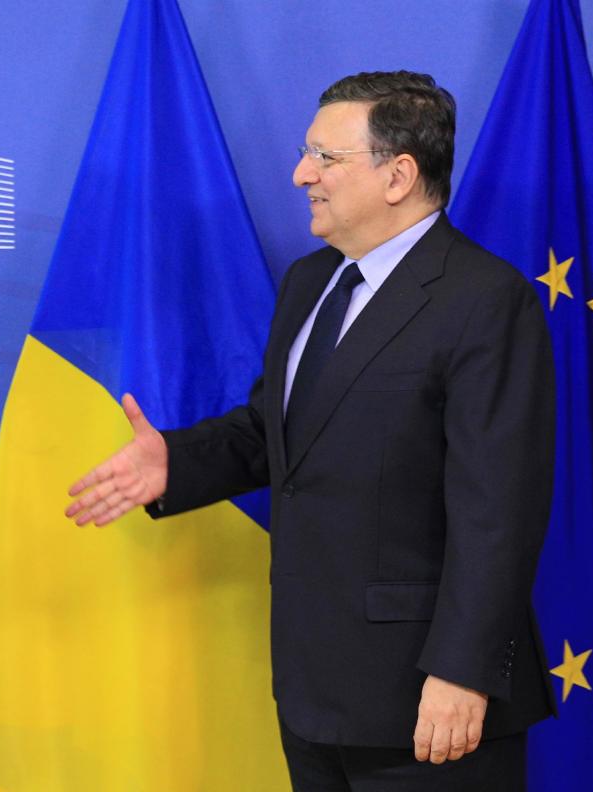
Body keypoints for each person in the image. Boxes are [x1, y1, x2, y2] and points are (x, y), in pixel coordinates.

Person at [66, 71, 556, 791]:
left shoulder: (484, 301)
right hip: (310, 695)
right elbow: (282, 435)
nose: (301, 175)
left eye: (325, 158)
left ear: (399, 175)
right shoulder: (309, 283)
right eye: (307, 154)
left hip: (428, 705)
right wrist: (175, 461)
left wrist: (462, 672)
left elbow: (499, 514)